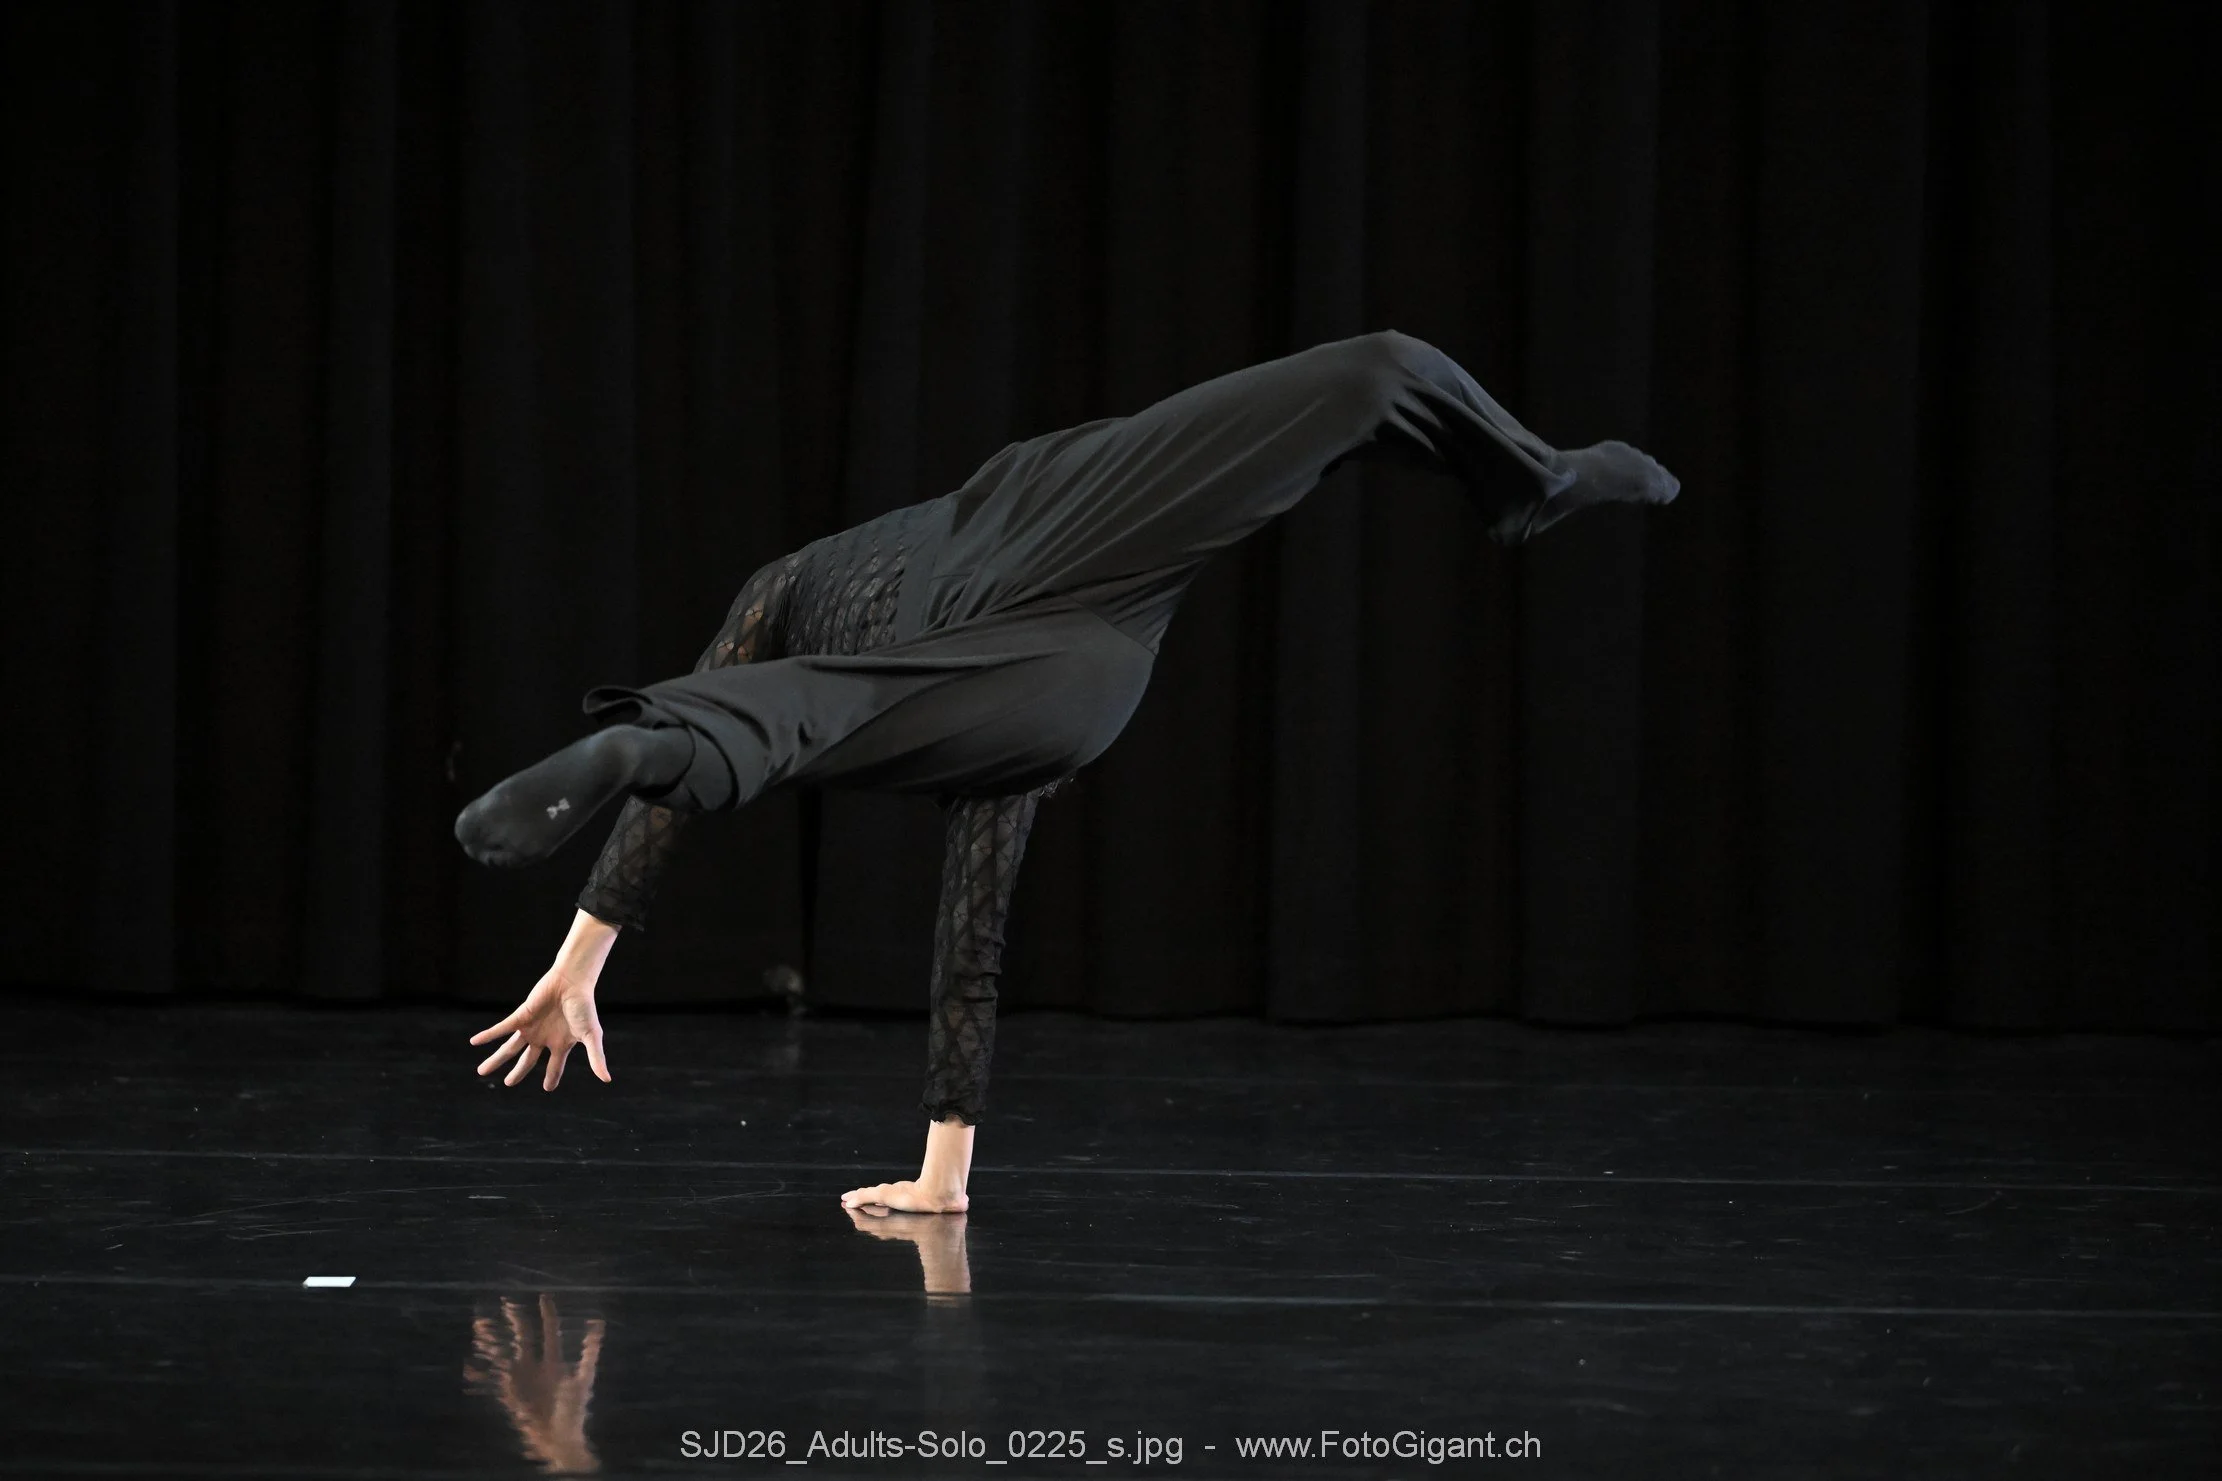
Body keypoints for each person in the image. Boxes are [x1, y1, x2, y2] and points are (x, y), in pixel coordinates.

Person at [453, 329, 1679, 1214]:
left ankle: (643, 736)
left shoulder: (783, 589)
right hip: (1060, 538)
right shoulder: (930, 662)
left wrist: (581, 956)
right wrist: (940, 1171)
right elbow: (969, 934)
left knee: (778, 716)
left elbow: (802, 805)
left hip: (1023, 605)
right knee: (1371, 368)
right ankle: (1536, 480)